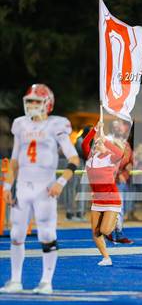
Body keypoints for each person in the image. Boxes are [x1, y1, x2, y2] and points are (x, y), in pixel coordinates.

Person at [0, 84, 80, 294]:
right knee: (16, 234)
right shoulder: (20, 124)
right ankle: (15, 280)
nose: (32, 105)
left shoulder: (57, 125)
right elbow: (15, 160)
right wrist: (7, 185)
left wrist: (60, 182)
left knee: (46, 234)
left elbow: (73, 158)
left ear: (48, 104)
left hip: (45, 188)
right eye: (30, 101)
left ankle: (46, 281)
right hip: (23, 188)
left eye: (37, 101)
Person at [82, 121, 124, 266]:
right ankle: (106, 258)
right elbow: (84, 144)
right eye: (95, 145)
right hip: (97, 200)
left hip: (112, 199)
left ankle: (116, 220)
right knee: (95, 233)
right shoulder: (90, 159)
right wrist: (95, 129)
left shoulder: (109, 158)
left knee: (105, 230)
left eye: (98, 144)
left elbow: (120, 153)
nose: (96, 145)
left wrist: (105, 142)